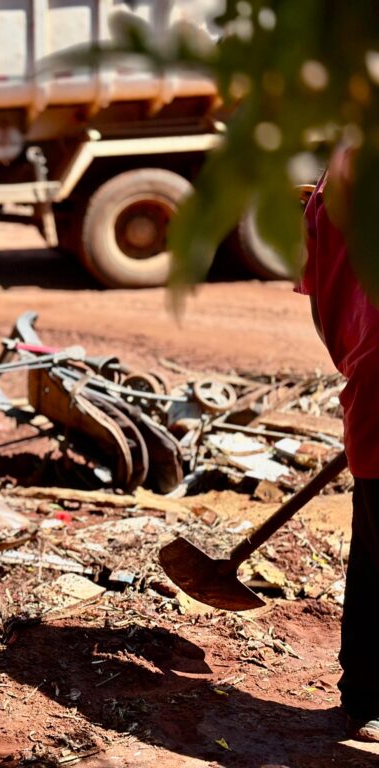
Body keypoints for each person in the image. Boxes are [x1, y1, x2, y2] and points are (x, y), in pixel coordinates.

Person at [298, 144, 379, 742]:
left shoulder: (343, 166)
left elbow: (322, 291)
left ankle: (366, 697)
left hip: (370, 383)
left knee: (376, 552)